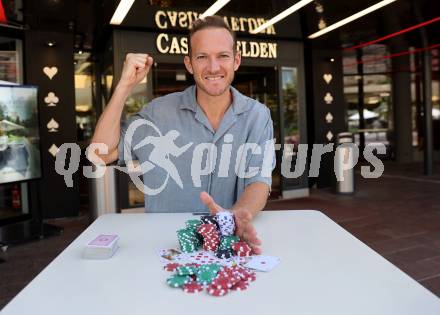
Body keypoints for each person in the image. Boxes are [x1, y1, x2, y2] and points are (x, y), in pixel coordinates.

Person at [90, 16, 275, 254]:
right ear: (189, 64)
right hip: (164, 248)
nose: (213, 67)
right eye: (202, 57)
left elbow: (259, 181)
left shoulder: (258, 116)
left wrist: (238, 216)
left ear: (236, 60)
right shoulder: (158, 113)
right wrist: (124, 86)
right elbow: (100, 155)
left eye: (223, 56)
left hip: (227, 245)